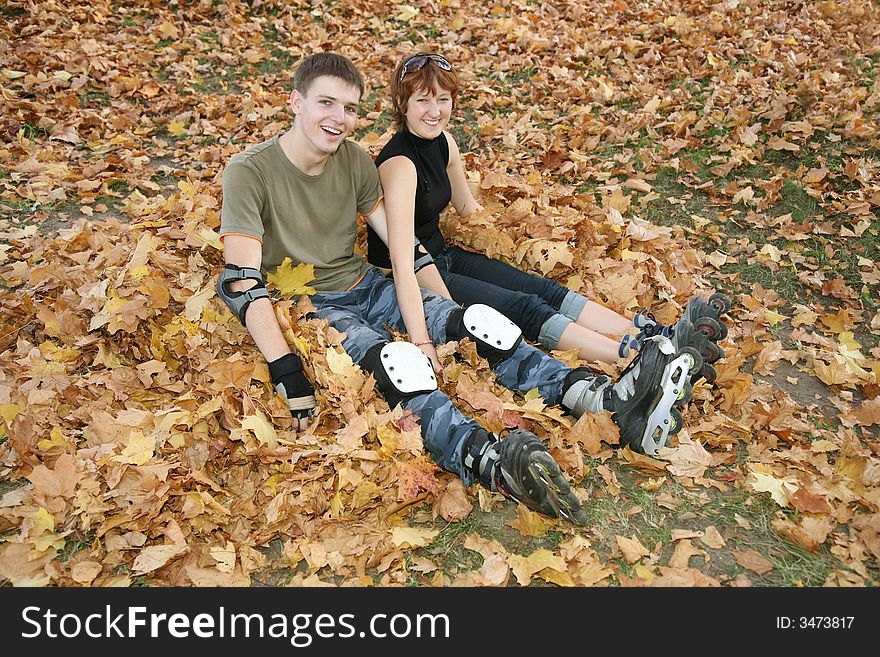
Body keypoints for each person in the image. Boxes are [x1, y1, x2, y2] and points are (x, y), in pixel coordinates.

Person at [218, 52, 700, 526]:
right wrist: (286, 369)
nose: (338, 119)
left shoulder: (354, 164)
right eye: (326, 103)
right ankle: (486, 458)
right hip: (312, 305)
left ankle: (598, 400)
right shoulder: (250, 171)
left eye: (349, 108)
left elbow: (405, 251)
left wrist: (448, 324)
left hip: (366, 282)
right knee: (398, 366)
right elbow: (242, 282)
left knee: (480, 322)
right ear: (295, 101)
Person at [367, 52, 731, 380]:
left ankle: (651, 335)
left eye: (442, 100)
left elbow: (469, 210)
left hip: (444, 254)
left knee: (540, 288)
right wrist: (424, 338)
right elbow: (402, 261)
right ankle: (634, 357)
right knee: (523, 306)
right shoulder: (400, 165)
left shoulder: (444, 141)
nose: (435, 110)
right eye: (423, 101)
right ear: (403, 104)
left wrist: (529, 232)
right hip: (412, 273)